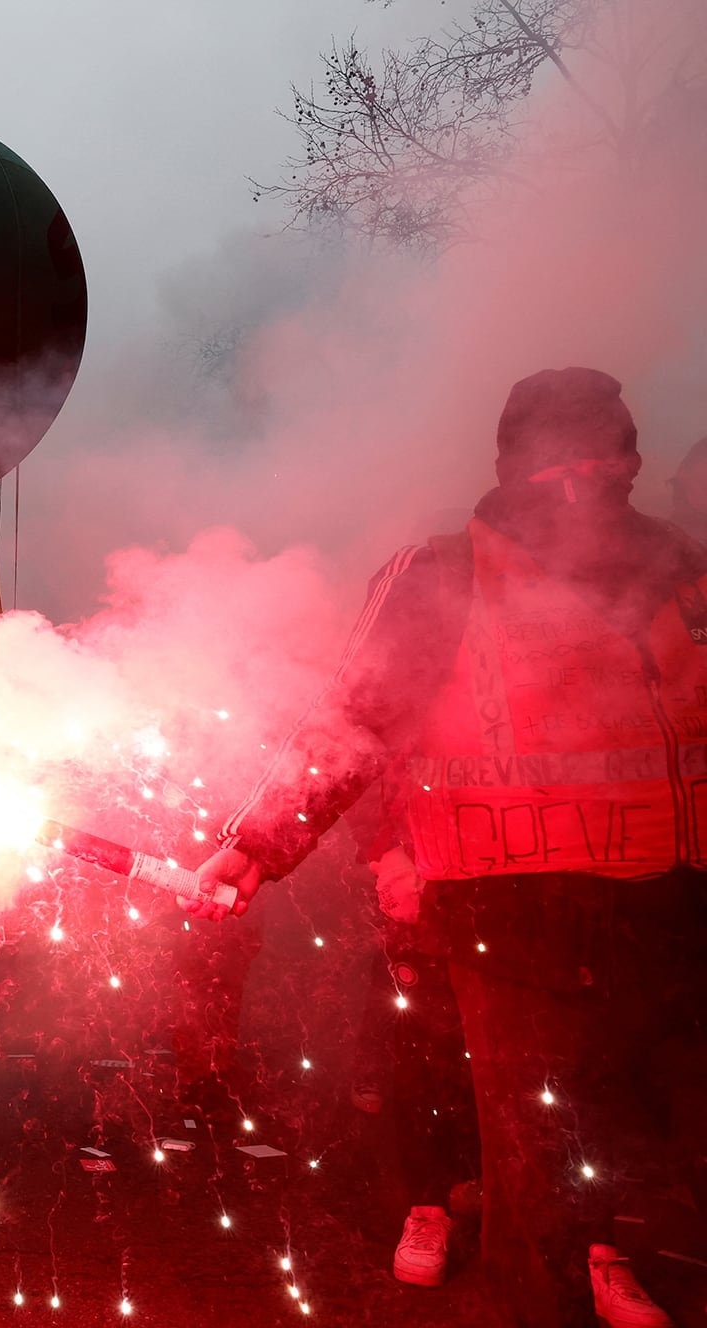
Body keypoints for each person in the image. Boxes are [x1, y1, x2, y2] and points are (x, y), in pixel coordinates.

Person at [196, 368, 707, 1328]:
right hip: (510, 920)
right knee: (533, 1155)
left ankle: (604, 1259)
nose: (592, 478)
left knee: (630, 1132)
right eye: (568, 459)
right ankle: (537, 1298)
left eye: (612, 454)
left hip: (667, 912)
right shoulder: (445, 573)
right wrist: (258, 843)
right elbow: (351, 717)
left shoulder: (683, 567)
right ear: (519, 466)